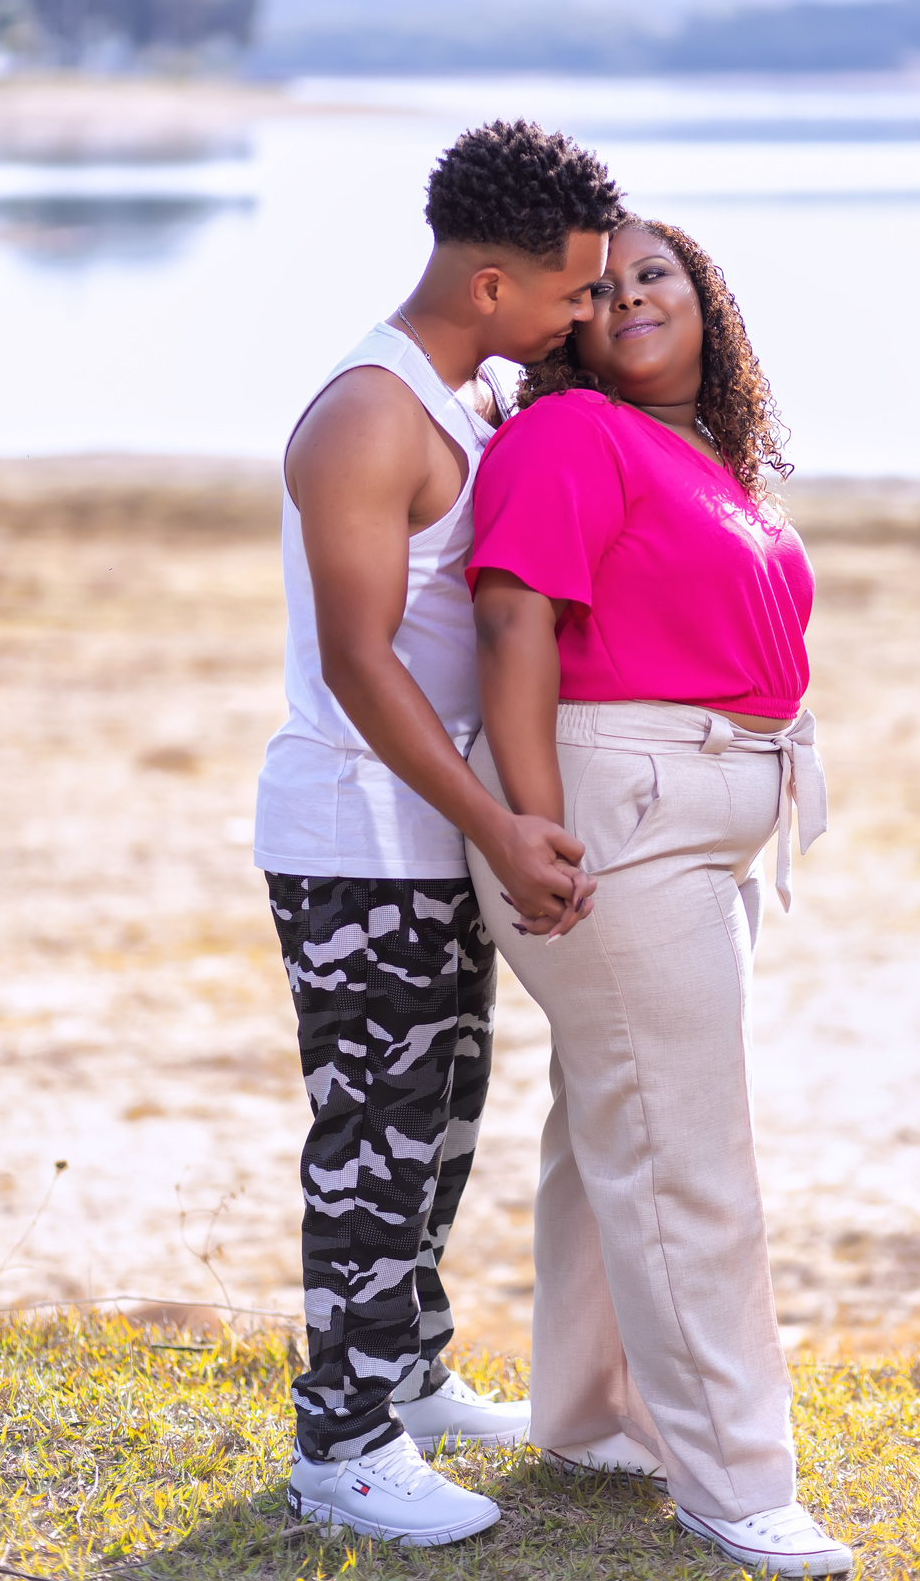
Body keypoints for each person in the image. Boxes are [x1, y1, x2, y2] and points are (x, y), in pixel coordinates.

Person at [464, 217, 852, 1575]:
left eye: (657, 275)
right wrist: (534, 823)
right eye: (603, 286)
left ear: (707, 301)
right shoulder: (572, 432)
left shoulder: (699, 457)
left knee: (612, 1120)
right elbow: (511, 616)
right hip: (609, 817)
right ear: (568, 322)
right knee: (687, 1153)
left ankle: (590, 1414)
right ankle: (735, 1481)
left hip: (696, 824)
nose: (629, 296)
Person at [254, 120, 622, 1547]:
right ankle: (341, 1448)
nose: (582, 314)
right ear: (489, 284)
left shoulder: (468, 399)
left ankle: (403, 1375)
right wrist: (500, 823)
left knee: (440, 1122)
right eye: (572, 290)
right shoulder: (369, 414)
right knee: (373, 1140)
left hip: (429, 836)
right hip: (358, 833)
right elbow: (361, 662)